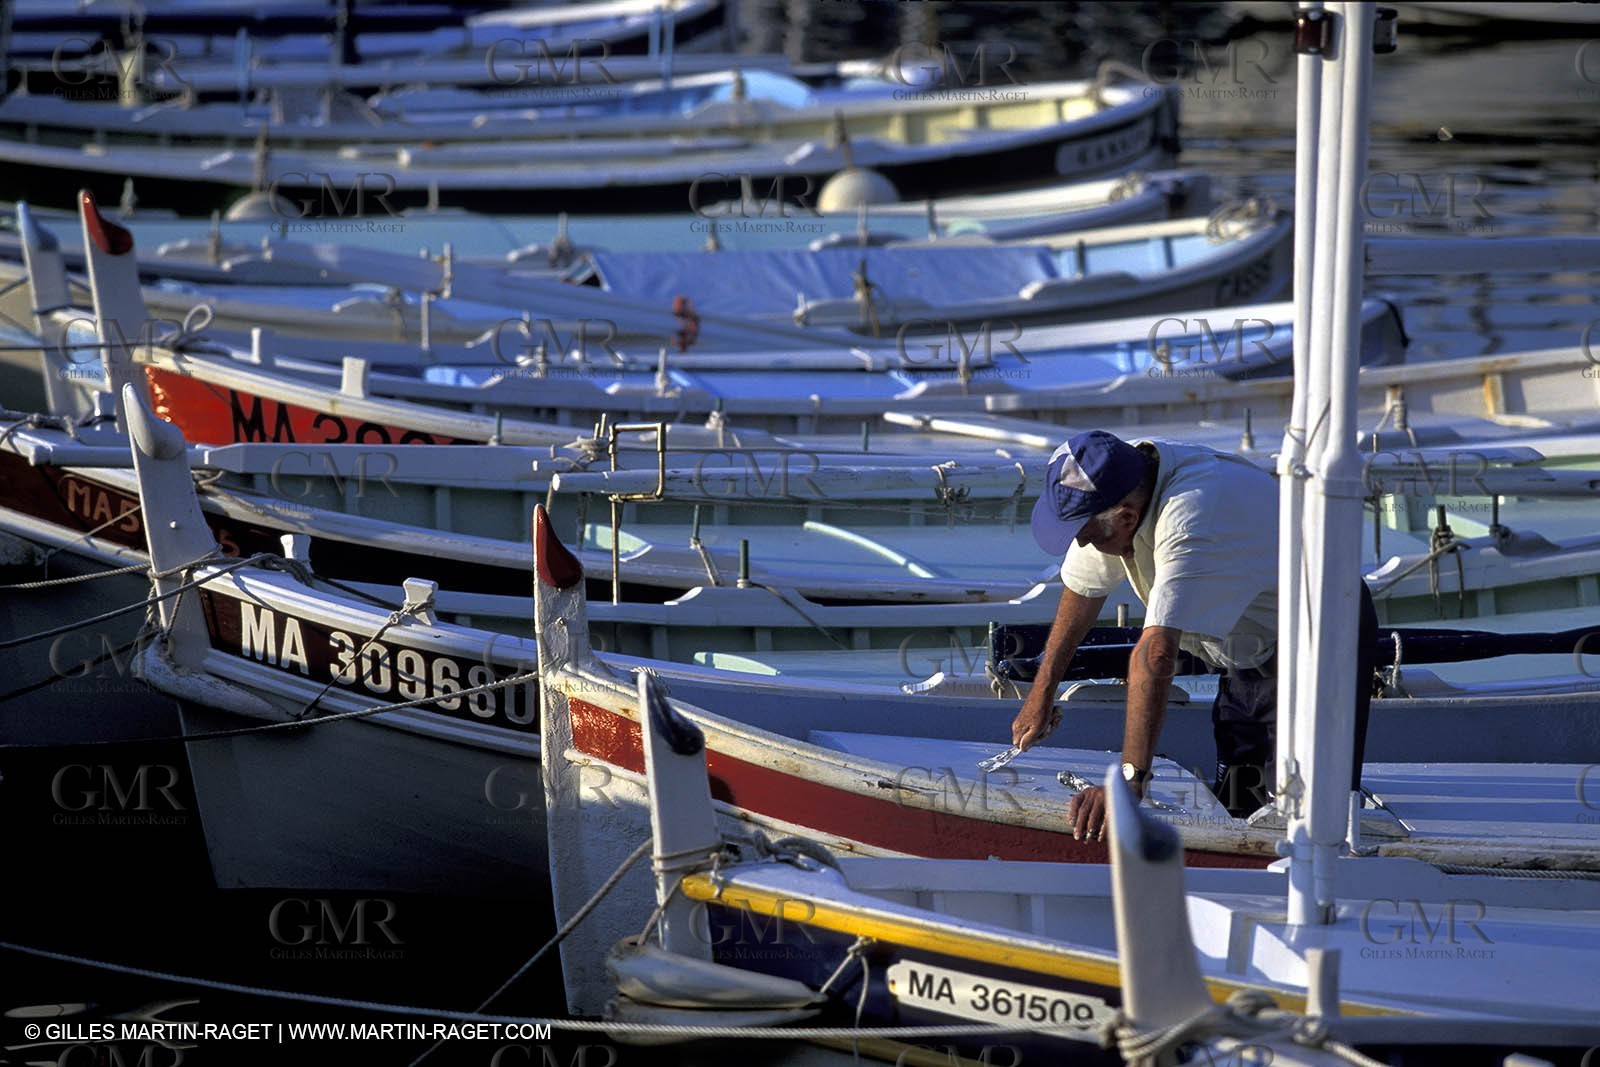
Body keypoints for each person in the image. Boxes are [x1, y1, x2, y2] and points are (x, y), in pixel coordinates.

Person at [1010, 430, 1377, 841]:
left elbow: (1157, 655)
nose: (1081, 542)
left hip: (1324, 634)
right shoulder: (1121, 482)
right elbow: (1082, 589)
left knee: (1302, 811)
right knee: (1241, 801)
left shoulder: (1191, 517)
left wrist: (1129, 784)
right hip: (1251, 644)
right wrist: (1041, 692)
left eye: (1087, 534)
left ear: (1127, 520)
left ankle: (1328, 872)